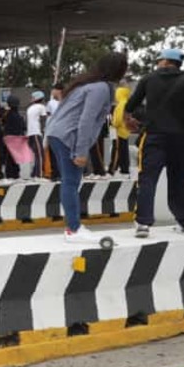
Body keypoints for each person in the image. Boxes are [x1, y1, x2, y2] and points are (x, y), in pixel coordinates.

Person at [125, 48, 184, 236]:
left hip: (153, 136)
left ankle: (143, 223)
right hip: (180, 138)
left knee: (147, 179)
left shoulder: (148, 79)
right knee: (180, 180)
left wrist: (128, 120)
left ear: (164, 61)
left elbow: (131, 105)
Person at [45, 53, 128, 243]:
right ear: (118, 70)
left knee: (70, 181)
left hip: (58, 133)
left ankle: (73, 227)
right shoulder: (100, 88)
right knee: (71, 182)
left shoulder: (86, 84)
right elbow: (86, 120)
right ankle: (73, 229)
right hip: (68, 135)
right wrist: (81, 152)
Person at [107, 85, 131, 176]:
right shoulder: (126, 103)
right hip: (124, 131)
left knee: (116, 150)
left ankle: (112, 168)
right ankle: (125, 168)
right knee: (123, 150)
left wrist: (113, 124)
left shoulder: (121, 104)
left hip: (118, 131)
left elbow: (118, 119)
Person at [25, 90, 48, 179]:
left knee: (35, 155)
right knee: (40, 155)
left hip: (30, 134)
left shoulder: (30, 108)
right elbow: (44, 119)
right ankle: (39, 175)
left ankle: (34, 174)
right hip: (36, 133)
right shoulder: (41, 107)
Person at [2, 95, 26, 179]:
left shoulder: (7, 114)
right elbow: (24, 127)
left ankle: (9, 174)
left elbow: (2, 122)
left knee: (8, 158)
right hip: (18, 138)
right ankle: (16, 173)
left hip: (9, 138)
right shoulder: (19, 116)